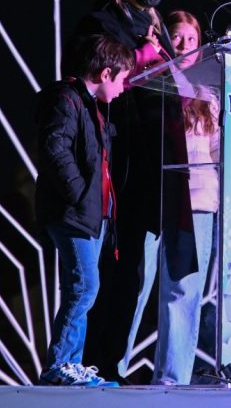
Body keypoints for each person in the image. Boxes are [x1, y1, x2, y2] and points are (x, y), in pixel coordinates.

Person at [64, 0, 185, 382]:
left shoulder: (157, 27)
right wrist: (140, 57)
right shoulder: (101, 21)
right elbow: (94, 74)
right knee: (104, 270)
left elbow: (175, 79)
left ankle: (112, 363)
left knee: (133, 272)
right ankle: (83, 361)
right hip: (112, 160)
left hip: (152, 163)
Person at [119, 10, 220, 384]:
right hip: (155, 197)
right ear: (164, 39)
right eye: (177, 37)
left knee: (184, 290)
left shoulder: (208, 96)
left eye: (192, 40)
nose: (184, 45)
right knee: (136, 284)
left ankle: (172, 378)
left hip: (198, 203)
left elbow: (217, 151)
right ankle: (112, 367)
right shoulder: (149, 83)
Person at [35, 33, 134, 387]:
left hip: (90, 215)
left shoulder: (89, 106)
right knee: (84, 286)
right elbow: (55, 148)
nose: (123, 88)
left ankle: (71, 364)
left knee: (83, 288)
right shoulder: (67, 99)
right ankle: (60, 365)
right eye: (121, 80)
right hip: (73, 213)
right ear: (106, 73)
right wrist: (78, 193)